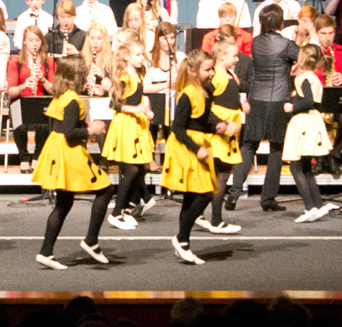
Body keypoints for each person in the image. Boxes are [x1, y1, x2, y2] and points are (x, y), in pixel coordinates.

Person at [31, 54, 115, 269]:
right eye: (85, 74)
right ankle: (91, 240)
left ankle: (46, 252)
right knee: (105, 188)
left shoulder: (61, 96)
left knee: (64, 203)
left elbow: (61, 128)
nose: (88, 78)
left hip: (58, 150)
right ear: (76, 76)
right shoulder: (72, 100)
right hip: (69, 152)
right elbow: (69, 132)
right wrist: (92, 130)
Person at [227, 4, 297, 212]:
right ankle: (268, 199)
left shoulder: (256, 42)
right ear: (280, 22)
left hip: (256, 98)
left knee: (249, 145)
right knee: (276, 149)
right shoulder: (286, 44)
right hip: (278, 100)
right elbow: (305, 56)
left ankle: (234, 193)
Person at [160, 50, 228, 265]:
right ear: (193, 71)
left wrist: (217, 126)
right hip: (187, 146)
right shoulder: (187, 94)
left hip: (199, 143)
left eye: (212, 69)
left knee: (194, 196)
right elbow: (178, 128)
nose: (212, 73)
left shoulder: (207, 91)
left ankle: (183, 242)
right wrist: (196, 148)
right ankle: (181, 239)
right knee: (204, 193)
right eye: (207, 70)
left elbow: (203, 120)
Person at [102, 35, 155, 229]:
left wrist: (146, 111)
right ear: (126, 57)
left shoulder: (138, 75)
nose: (142, 58)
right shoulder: (124, 78)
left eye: (142, 54)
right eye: (138, 55)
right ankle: (117, 213)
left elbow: (137, 100)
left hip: (136, 125)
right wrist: (137, 109)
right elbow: (115, 104)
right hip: (126, 126)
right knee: (132, 169)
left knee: (140, 168)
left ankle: (126, 208)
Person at [194, 35, 245, 235]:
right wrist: (220, 123)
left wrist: (241, 105)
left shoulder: (229, 75)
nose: (237, 59)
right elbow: (205, 100)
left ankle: (201, 214)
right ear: (222, 56)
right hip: (220, 131)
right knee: (220, 175)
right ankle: (216, 220)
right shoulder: (216, 76)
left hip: (229, 131)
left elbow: (229, 97)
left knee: (221, 174)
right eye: (234, 55)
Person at [283, 44, 333, 223]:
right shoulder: (314, 79)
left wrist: (292, 107)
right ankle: (317, 204)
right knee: (305, 167)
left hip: (303, 121)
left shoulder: (303, 79)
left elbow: (308, 101)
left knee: (295, 166)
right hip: (313, 120)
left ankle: (309, 206)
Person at [7, 26, 56, 172]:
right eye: (30, 40)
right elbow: (11, 92)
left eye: (37, 40)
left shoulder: (48, 61)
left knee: (43, 125)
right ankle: (24, 158)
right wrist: (24, 86)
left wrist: (42, 80)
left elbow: (54, 90)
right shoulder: (15, 62)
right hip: (21, 101)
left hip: (41, 101)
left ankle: (37, 157)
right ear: (24, 42)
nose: (34, 44)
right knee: (19, 125)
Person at [315, 14, 342, 84]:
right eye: (323, 33)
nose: (327, 38)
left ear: (335, 33)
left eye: (330, 33)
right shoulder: (310, 52)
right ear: (316, 33)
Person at [81, 24, 112, 98]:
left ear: (105, 40)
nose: (95, 42)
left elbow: (117, 86)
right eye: (92, 38)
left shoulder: (112, 58)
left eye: (99, 38)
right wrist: (85, 84)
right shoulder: (81, 58)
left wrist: (102, 76)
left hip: (106, 98)